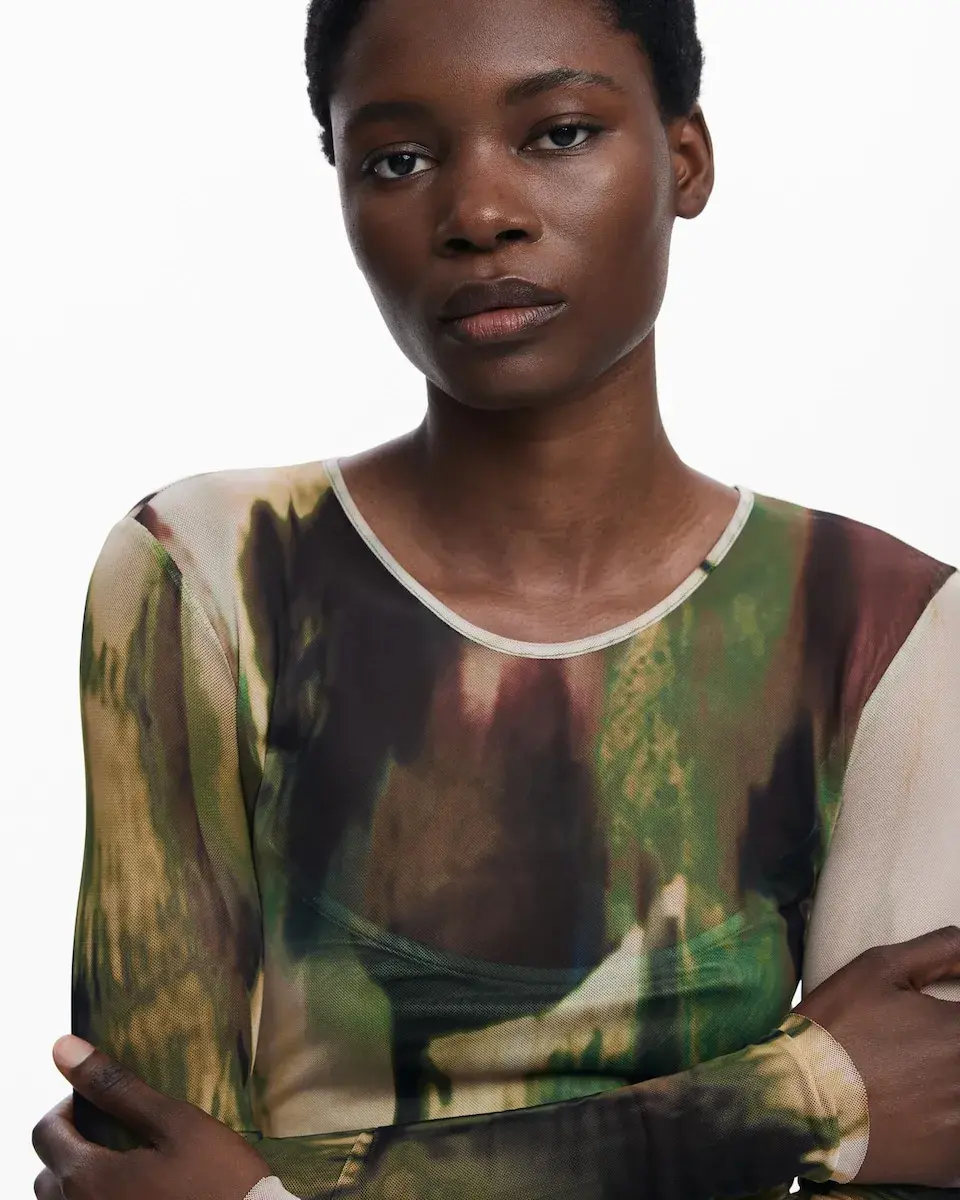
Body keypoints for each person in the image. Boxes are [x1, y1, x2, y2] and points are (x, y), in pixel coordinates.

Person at [54, 0, 960, 1197]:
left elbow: (923, 1125)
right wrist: (784, 1105)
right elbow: (148, 1174)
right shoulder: (212, 575)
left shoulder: (877, 626)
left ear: (685, 159)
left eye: (560, 133)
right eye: (398, 160)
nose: (478, 214)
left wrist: (272, 1188)